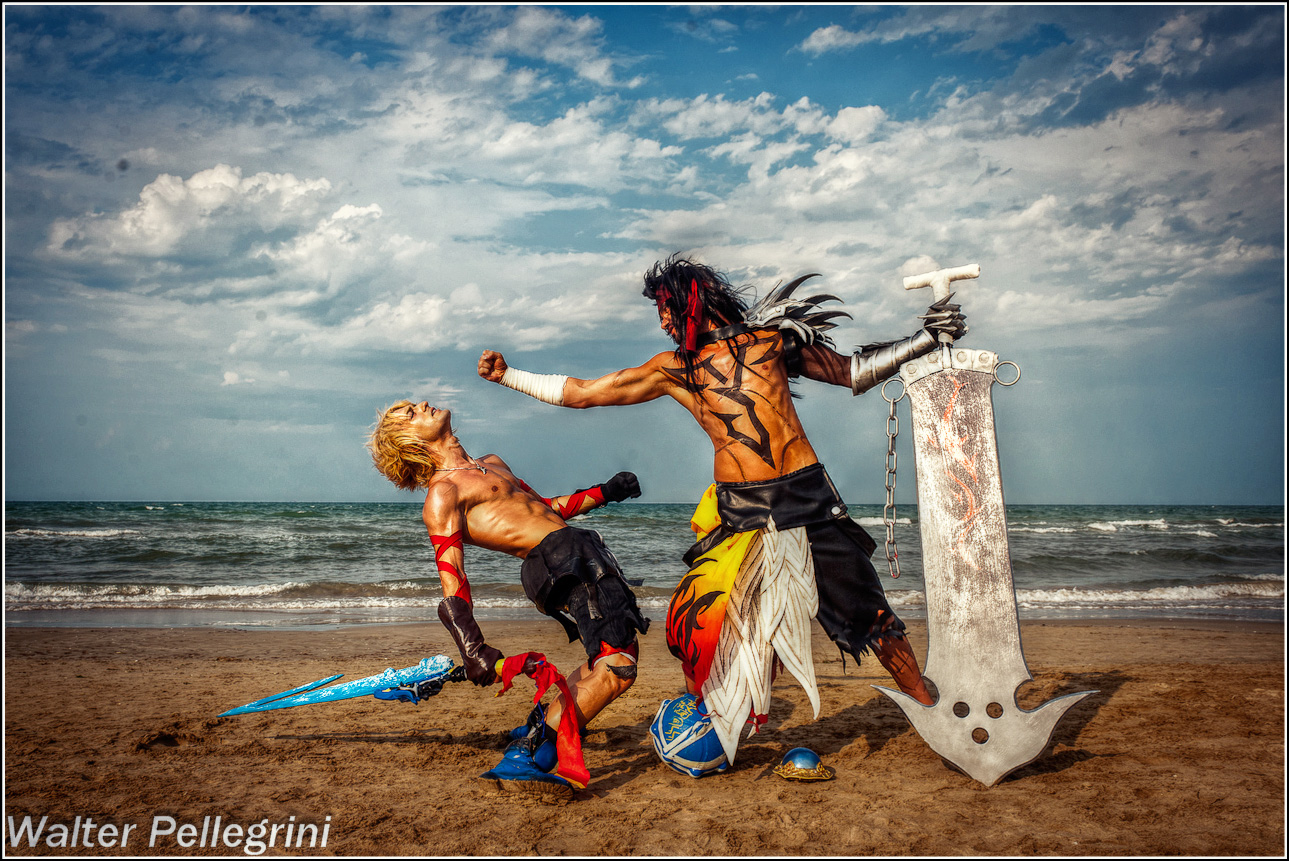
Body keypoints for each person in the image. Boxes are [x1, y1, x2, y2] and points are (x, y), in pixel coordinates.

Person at [478, 255, 965, 765]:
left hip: (808, 501)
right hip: (740, 517)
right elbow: (585, 393)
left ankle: (929, 708)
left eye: (665, 309)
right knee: (701, 619)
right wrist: (511, 376)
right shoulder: (674, 369)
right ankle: (709, 715)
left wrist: (927, 338)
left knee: (872, 617)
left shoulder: (772, 344)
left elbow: (853, 372)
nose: (663, 322)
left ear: (690, 300)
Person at [366, 399, 649, 793]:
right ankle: (529, 752)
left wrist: (606, 492)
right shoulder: (443, 492)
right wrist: (473, 647)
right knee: (617, 666)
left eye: (414, 405)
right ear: (408, 443)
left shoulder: (493, 463)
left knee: (612, 654)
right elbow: (453, 574)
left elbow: (546, 510)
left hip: (582, 551)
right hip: (557, 561)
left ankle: (541, 723)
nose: (423, 405)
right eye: (411, 414)